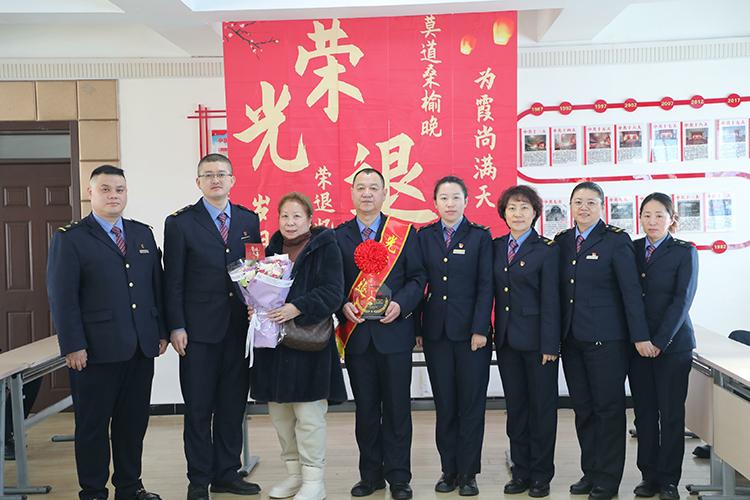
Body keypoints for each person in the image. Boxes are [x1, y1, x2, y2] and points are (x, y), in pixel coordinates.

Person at [47, 165, 166, 500]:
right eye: (105, 189)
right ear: (90, 193)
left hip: (140, 347)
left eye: (119, 189)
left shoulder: (142, 234)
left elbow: (154, 287)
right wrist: (73, 344)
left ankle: (129, 487)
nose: (114, 195)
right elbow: (62, 297)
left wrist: (160, 331)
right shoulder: (71, 238)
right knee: (93, 425)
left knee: (133, 423)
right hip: (94, 351)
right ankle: (93, 491)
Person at [163, 153, 262, 500]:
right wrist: (176, 326)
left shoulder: (249, 220)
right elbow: (173, 281)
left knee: (232, 407)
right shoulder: (180, 223)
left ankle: (227, 474)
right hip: (197, 333)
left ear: (232, 179)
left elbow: (255, 271)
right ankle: (198, 479)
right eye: (208, 175)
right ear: (198, 182)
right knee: (198, 409)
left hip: (238, 330)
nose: (215, 180)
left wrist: (260, 308)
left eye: (221, 174)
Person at [555, 181, 651, 500]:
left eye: (591, 202)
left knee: (607, 410)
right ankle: (591, 472)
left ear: (602, 206)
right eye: (578, 202)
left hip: (608, 341)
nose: (584, 207)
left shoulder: (615, 240)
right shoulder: (563, 241)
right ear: (570, 206)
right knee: (583, 409)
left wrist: (639, 336)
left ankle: (608, 480)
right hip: (572, 340)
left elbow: (630, 292)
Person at [335, 168, 427, 500]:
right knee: (366, 409)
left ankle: (399, 477)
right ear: (352, 193)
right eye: (361, 187)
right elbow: (331, 282)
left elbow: (418, 278)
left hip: (395, 333)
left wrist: (401, 305)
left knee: (398, 408)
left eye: (374, 188)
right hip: (358, 335)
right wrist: (342, 305)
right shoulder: (338, 236)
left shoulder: (403, 232)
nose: (367, 193)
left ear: (385, 193)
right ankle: (370, 476)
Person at [250, 192, 347, 500]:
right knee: (281, 417)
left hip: (308, 347)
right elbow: (260, 292)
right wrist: (255, 308)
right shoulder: (270, 250)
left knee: (309, 418)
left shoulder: (325, 247)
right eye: (285, 216)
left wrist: (297, 307)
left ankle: (314, 480)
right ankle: (294, 476)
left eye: (296, 216)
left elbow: (333, 292)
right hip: (275, 349)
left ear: (309, 219)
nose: (290, 222)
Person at [416, 176, 492, 496]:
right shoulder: (424, 236)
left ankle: (469, 473)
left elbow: (486, 285)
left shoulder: (480, 236)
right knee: (445, 404)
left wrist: (480, 329)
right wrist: (418, 329)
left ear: (466, 201)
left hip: (471, 335)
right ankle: (449, 470)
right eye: (444, 198)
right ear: (435, 203)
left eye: (456, 197)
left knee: (471, 405)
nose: (450, 203)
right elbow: (418, 283)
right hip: (436, 333)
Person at [630, 193, 698, 500]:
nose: (652, 221)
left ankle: (669, 480)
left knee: (671, 415)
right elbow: (628, 297)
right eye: (647, 215)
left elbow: (682, 300)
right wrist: (640, 338)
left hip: (673, 346)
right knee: (644, 414)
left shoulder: (684, 251)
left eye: (659, 215)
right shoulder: (632, 249)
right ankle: (649, 476)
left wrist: (658, 341)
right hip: (637, 345)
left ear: (671, 219)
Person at [493, 185, 560, 498]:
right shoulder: (496, 247)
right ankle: (520, 472)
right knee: (516, 410)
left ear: (535, 213)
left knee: (541, 410)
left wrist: (551, 345)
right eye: (512, 208)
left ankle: (541, 475)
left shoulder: (546, 249)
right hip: (507, 341)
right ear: (503, 213)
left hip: (538, 344)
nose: (517, 214)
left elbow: (552, 300)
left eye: (524, 208)